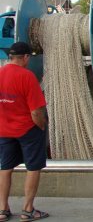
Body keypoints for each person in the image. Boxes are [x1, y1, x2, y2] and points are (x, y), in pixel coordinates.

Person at [0, 42, 49, 222]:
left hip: (4, 130)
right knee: (33, 168)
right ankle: (27, 210)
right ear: (26, 57)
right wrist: (41, 126)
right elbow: (36, 111)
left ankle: (3, 209)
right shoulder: (27, 77)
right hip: (27, 130)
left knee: (5, 168)